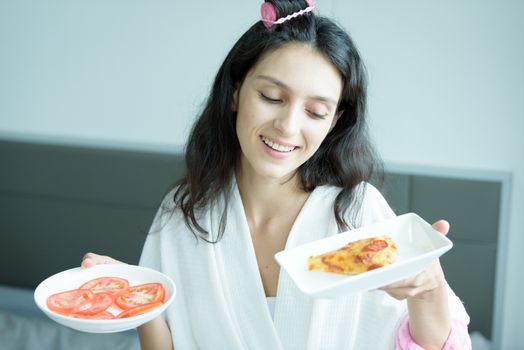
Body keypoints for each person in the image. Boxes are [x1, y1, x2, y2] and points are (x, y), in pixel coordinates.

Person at [81, 1, 471, 349]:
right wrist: (143, 302)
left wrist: (429, 290)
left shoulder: (357, 214)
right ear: (236, 91)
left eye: (315, 112)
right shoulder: (185, 212)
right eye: (271, 97)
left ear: (334, 121)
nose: (287, 126)